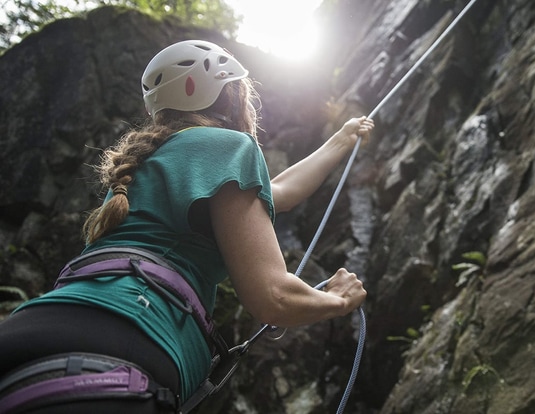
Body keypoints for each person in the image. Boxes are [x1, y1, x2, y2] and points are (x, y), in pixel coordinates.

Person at [0, 39, 372, 413]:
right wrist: (338, 299)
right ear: (229, 95)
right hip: (128, 340)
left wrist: (341, 139)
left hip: (28, 332)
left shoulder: (142, 168)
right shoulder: (230, 146)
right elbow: (274, 299)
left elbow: (280, 191)